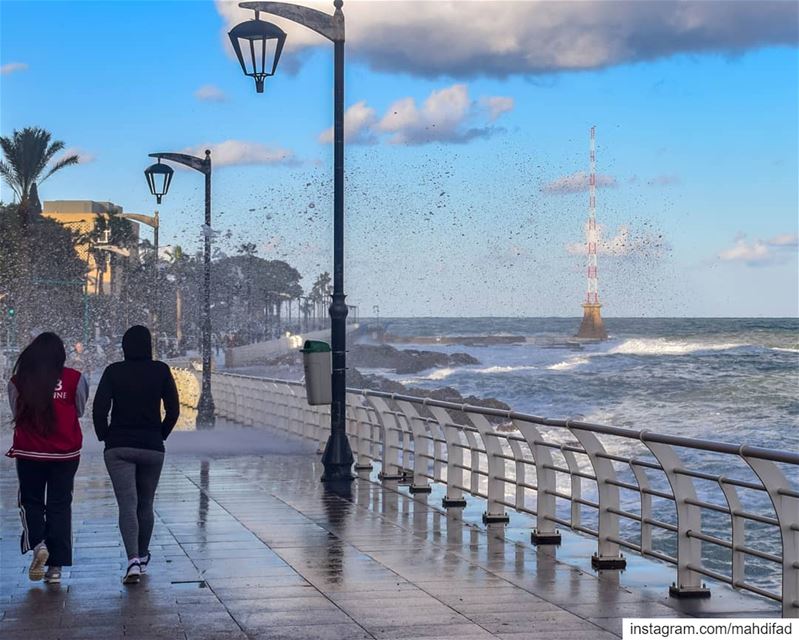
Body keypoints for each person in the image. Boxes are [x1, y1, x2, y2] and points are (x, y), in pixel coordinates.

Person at [92, 325, 179, 585]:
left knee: (127, 504)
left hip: (119, 448)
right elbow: (173, 410)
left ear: (124, 346)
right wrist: (160, 434)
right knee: (146, 503)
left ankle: (132, 562)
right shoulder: (161, 370)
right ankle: (142, 556)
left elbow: (98, 409)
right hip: (152, 447)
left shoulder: (113, 371)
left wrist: (105, 436)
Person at [5, 332, 89, 584]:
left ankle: (38, 542)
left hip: (30, 451)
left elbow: (15, 410)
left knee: (30, 501)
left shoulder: (19, 381)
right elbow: (81, 409)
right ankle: (55, 568)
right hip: (65, 452)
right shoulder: (74, 378)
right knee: (60, 505)